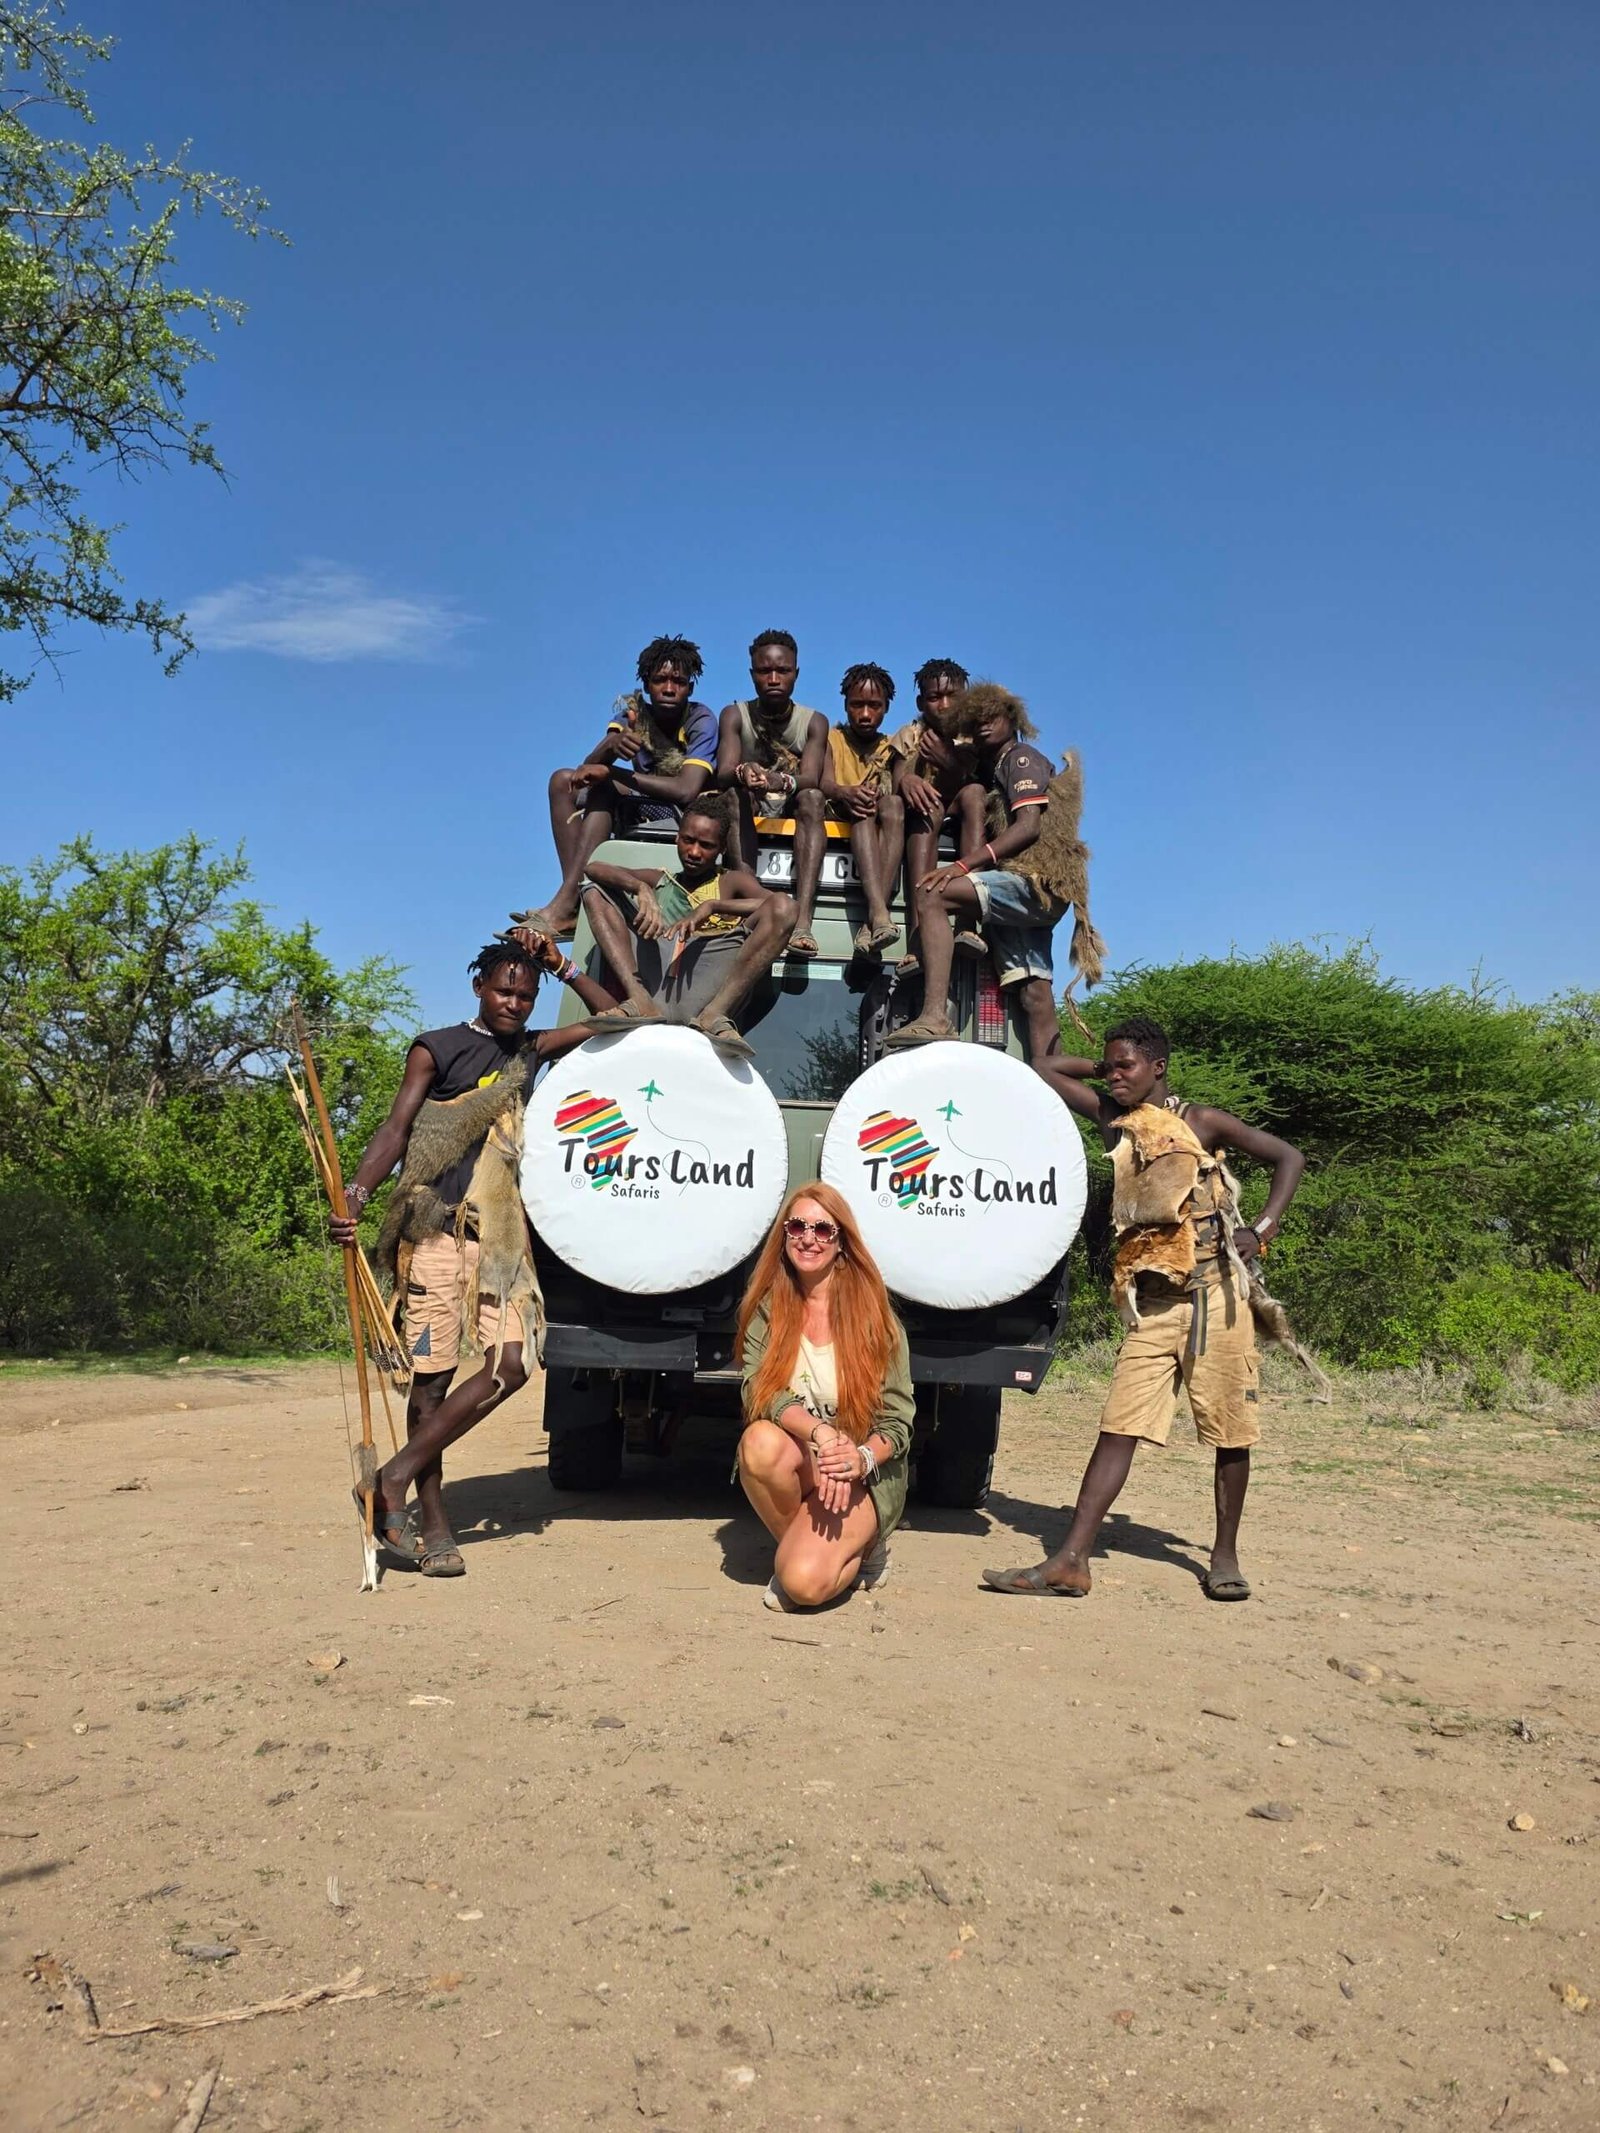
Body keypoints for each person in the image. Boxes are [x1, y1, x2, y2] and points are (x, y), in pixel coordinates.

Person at [983, 1018, 1306, 1603]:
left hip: (1217, 1297)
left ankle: (1224, 1556)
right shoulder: (1116, 1119)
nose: (1114, 1076)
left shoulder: (1199, 1122)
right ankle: (1072, 1561)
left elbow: (1289, 1157)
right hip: (1152, 1302)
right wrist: (1104, 1070)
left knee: (1230, 1431)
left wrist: (1261, 1230)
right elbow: (1045, 1069)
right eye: (1109, 1067)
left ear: (1159, 1068)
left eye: (1126, 1066)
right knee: (1118, 1427)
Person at [329, 935, 616, 1576]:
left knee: (511, 1366)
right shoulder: (438, 1048)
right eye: (503, 990)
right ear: (478, 988)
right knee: (429, 1385)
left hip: (500, 1236)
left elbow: (625, 1015)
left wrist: (564, 964)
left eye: (525, 992)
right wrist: (355, 1195)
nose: (514, 1002)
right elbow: (396, 1130)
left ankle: (390, 1477)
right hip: (433, 1232)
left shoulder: (532, 1050)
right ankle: (433, 1524)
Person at [889, 682, 1102, 1061]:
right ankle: (1051, 1078)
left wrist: (962, 865)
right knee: (1034, 992)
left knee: (931, 894)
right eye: (978, 719)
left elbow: (1028, 826)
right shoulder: (992, 765)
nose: (985, 725)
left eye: (994, 716)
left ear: (1013, 718)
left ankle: (935, 1015)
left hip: (1032, 880)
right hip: (1042, 892)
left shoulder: (1021, 758)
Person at [735, 1183, 914, 1612]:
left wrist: (857, 1458)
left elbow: (898, 1422)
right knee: (758, 1442)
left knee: (800, 1585)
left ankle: (865, 1547)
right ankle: (808, 1546)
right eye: (796, 1226)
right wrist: (821, 1434)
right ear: (784, 1236)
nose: (808, 1238)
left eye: (823, 1230)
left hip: (864, 1470)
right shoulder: (767, 1307)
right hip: (810, 1455)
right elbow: (757, 1391)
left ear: (842, 1242)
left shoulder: (877, 1319)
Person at [520, 635, 718, 941]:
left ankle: (567, 902)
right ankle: (572, 896)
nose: (668, 688)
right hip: (640, 804)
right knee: (562, 779)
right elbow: (586, 770)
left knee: (607, 784)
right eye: (660, 680)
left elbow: (686, 790)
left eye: (678, 681)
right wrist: (610, 745)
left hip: (681, 814)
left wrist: (613, 773)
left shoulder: (700, 719)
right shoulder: (633, 713)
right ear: (646, 683)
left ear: (690, 688)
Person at [576, 792, 797, 1057]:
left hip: (704, 982)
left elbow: (782, 906)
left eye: (706, 845)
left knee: (784, 908)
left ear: (722, 849)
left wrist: (713, 906)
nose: (694, 852)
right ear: (677, 837)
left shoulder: (731, 882)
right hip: (656, 979)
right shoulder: (661, 879)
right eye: (688, 841)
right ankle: (639, 999)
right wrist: (640, 887)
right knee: (593, 891)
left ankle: (715, 1014)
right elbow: (593, 867)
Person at [716, 628, 829, 957]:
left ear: (796, 673)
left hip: (793, 804)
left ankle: (803, 921)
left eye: (783, 670)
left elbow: (811, 778)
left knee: (814, 799)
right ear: (753, 675)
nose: (774, 678)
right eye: (765, 671)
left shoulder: (813, 722)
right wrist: (743, 771)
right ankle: (749, 907)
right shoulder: (735, 714)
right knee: (732, 795)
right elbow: (723, 772)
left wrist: (783, 781)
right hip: (750, 804)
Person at [889, 658, 986, 974]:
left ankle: (967, 924)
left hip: (962, 804)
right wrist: (907, 780)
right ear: (921, 701)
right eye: (934, 697)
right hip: (928, 810)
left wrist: (951, 763)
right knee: (926, 811)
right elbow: (898, 776)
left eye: (952, 696)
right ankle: (918, 938)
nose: (944, 705)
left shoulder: (977, 735)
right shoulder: (912, 734)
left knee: (974, 795)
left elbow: (985, 781)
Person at [814, 662, 905, 961]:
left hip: (877, 819)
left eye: (874, 706)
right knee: (863, 809)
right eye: (857, 705)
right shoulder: (832, 738)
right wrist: (845, 792)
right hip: (839, 815)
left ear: (886, 708)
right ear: (845, 704)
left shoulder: (892, 747)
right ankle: (878, 913)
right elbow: (824, 783)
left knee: (890, 804)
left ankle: (875, 919)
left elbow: (899, 791)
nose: (865, 714)